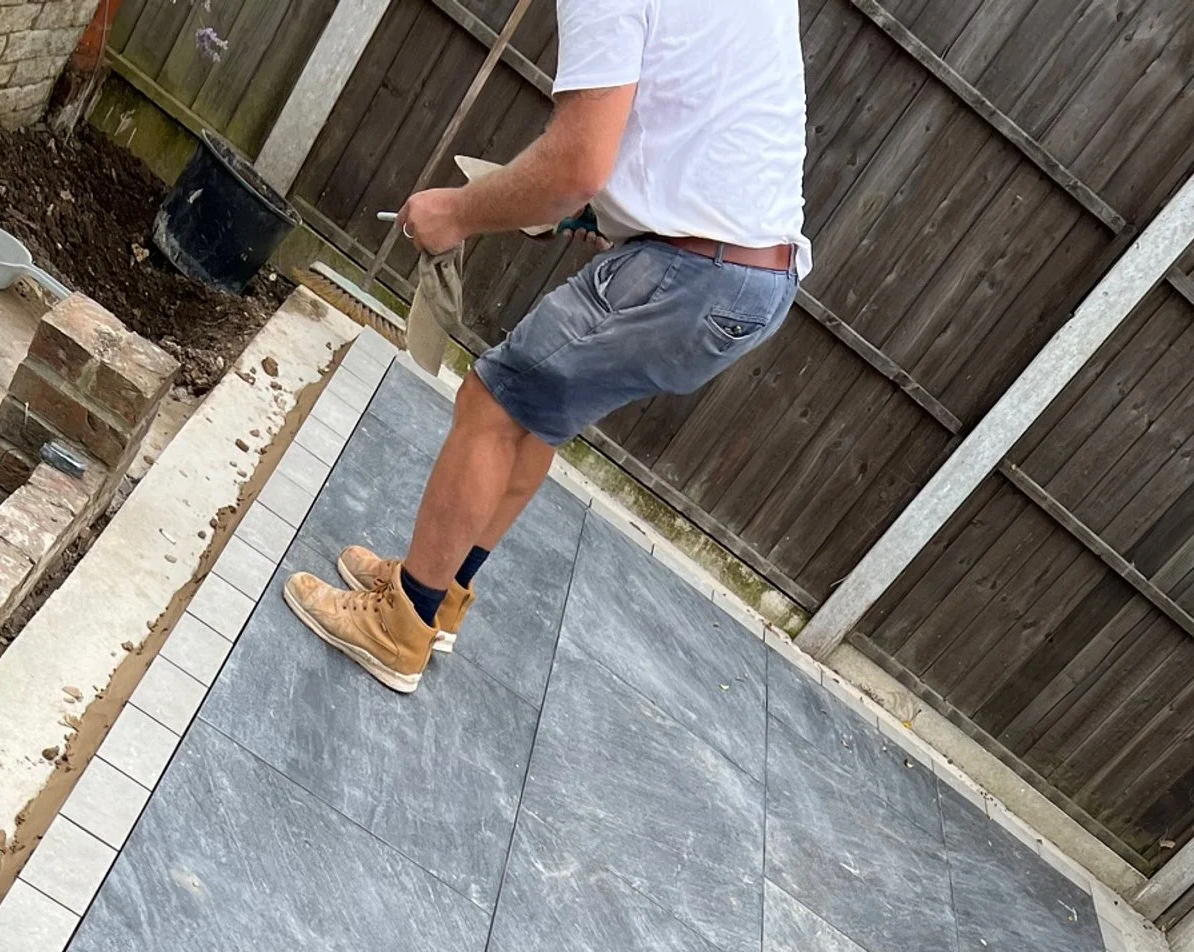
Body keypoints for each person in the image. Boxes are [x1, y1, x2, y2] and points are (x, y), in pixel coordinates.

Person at [284, 0, 809, 693]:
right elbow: (699, 121)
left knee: (491, 403)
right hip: (755, 276)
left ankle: (399, 625)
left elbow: (575, 165)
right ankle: (437, 594)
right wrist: (619, 210)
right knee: (536, 414)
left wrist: (454, 213)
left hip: (691, 273)